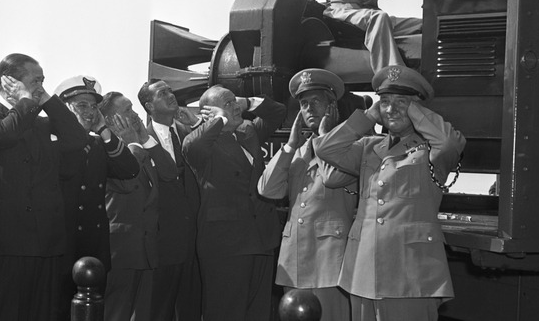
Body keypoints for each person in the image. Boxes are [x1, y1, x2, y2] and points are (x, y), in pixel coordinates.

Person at [316, 65, 466, 321]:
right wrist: (369, 116)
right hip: (362, 270)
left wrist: (413, 109)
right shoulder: (369, 147)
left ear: (418, 109)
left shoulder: (433, 150)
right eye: (385, 101)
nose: (391, 108)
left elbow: (451, 143)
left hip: (410, 274)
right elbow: (326, 149)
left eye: (402, 102)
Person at [0, 53, 89, 321]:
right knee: (5, 314)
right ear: (10, 82)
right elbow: (7, 132)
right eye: (36, 80)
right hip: (4, 241)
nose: (40, 86)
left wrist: (46, 101)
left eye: (42, 80)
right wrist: (26, 100)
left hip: (46, 241)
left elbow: (77, 139)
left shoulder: (43, 123)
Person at [258, 68, 358, 321]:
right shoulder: (299, 151)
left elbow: (335, 177)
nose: (309, 109)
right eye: (304, 104)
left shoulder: (353, 146)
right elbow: (268, 189)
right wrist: (290, 146)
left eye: (316, 102)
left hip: (330, 263)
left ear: (332, 107)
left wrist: (326, 138)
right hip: (294, 262)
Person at [182, 85, 286, 321]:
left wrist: (247, 102)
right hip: (226, 243)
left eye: (234, 102)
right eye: (227, 103)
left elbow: (277, 112)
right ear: (209, 112)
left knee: (258, 312)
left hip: (261, 237)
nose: (234, 107)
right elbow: (194, 146)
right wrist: (218, 119)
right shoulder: (197, 142)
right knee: (225, 311)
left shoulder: (248, 132)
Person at [54, 75, 140, 318]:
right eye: (82, 105)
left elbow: (129, 169)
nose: (89, 112)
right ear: (64, 108)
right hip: (61, 247)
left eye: (93, 106)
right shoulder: (51, 142)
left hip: (92, 249)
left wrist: (103, 129)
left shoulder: (99, 145)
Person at [97, 91, 172, 321]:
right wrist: (130, 143)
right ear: (111, 121)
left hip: (146, 250)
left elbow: (169, 173)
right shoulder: (106, 149)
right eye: (128, 110)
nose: (136, 114)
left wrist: (145, 139)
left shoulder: (140, 146)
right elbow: (126, 182)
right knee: (116, 313)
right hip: (122, 250)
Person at [137, 79, 202, 321]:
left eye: (170, 90)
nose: (170, 95)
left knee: (191, 309)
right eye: (162, 93)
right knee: (159, 310)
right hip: (161, 244)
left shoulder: (190, 134)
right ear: (149, 106)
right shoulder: (139, 139)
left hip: (194, 241)